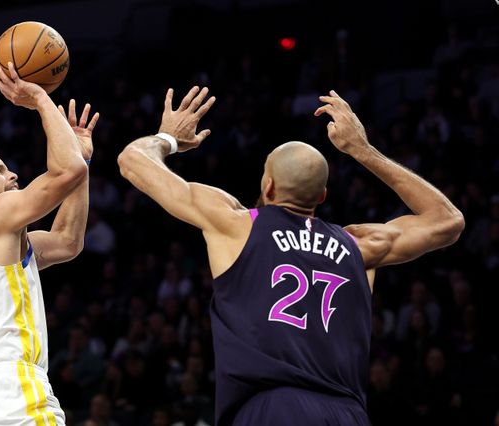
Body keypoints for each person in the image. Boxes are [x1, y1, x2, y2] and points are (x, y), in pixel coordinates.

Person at [117, 87, 464, 425]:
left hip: (271, 407)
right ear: (323, 195)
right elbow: (448, 221)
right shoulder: (359, 245)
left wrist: (168, 138)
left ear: (268, 186)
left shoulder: (238, 225)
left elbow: (132, 161)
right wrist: (363, 150)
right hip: (347, 412)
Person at [0, 62, 99, 426]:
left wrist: (83, 159)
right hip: (11, 390)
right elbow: (66, 171)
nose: (11, 174)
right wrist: (40, 97)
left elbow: (67, 242)